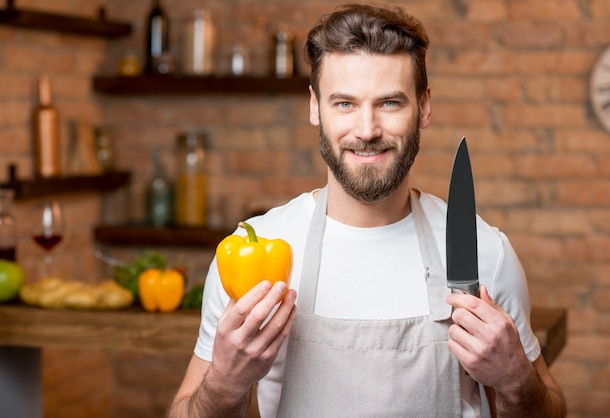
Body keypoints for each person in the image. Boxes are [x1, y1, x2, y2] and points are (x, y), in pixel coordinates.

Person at [168, 4, 566, 417]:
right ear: (314, 107)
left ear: (424, 107)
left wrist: (517, 381)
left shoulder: (486, 253)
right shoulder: (255, 255)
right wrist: (224, 384)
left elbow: (550, 411)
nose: (367, 129)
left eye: (390, 103)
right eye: (344, 104)